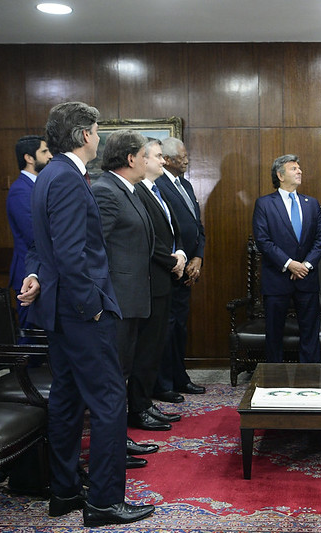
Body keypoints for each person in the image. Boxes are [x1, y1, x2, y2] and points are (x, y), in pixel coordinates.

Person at [18, 102, 154, 527]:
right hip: (81, 313)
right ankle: (104, 502)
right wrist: (92, 308)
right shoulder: (70, 179)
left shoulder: (49, 175)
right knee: (110, 401)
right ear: (82, 135)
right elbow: (74, 254)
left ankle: (64, 491)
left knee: (67, 399)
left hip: (60, 310)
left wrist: (36, 275)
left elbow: (43, 248)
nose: (99, 136)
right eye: (95, 130)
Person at [91, 130, 160, 466]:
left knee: (123, 374)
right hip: (115, 301)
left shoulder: (127, 189)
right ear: (132, 159)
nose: (149, 161)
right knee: (114, 378)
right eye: (147, 155)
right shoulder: (105, 190)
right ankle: (113, 447)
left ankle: (119, 440)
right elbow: (94, 251)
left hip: (131, 299)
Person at [129, 139, 186, 430]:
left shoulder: (156, 190)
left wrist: (182, 254)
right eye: (158, 157)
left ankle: (145, 404)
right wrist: (171, 260)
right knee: (145, 350)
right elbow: (146, 242)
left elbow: (171, 232)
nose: (164, 161)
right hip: (150, 280)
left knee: (154, 349)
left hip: (164, 280)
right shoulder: (136, 192)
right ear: (142, 160)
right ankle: (138, 408)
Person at [252, 154, 321, 363]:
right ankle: (274, 380)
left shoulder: (311, 203)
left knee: (310, 333)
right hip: (277, 279)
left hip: (307, 278)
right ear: (280, 175)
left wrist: (306, 265)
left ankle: (310, 379)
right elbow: (263, 241)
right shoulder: (265, 204)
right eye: (294, 168)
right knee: (274, 334)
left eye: (299, 168)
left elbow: (320, 238)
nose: (299, 171)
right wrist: (289, 264)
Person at [153, 137, 206, 403]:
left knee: (179, 329)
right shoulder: (157, 185)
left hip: (187, 268)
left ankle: (179, 377)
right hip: (168, 270)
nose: (187, 160)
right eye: (182, 157)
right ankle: (163, 384)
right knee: (166, 330)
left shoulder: (184, 184)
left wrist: (198, 257)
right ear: (168, 160)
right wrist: (180, 260)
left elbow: (197, 226)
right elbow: (165, 231)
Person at [7, 134, 51, 329]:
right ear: (29, 158)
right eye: (44, 151)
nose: (50, 156)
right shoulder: (20, 190)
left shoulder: (38, 185)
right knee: (30, 337)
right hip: (28, 272)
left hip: (42, 273)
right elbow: (34, 235)